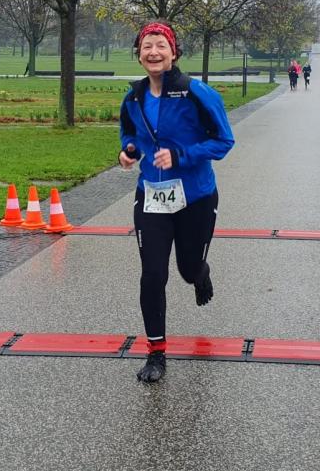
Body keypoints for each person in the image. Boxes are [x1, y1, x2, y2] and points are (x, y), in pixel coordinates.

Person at [119, 20, 235, 382]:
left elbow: (224, 141)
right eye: (147, 46)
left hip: (195, 196)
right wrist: (128, 150)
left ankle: (201, 273)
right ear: (139, 55)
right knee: (153, 274)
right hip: (152, 197)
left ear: (174, 52)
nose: (153, 52)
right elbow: (128, 132)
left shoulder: (196, 93)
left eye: (161, 45)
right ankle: (156, 353)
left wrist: (180, 155)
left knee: (187, 269)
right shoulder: (134, 97)